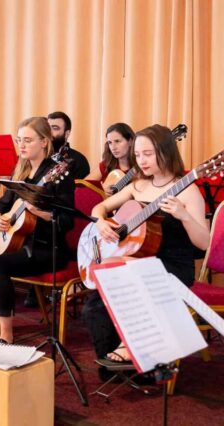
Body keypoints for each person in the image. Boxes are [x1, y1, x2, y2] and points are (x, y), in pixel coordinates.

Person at [82, 124, 209, 371]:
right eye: (138, 155)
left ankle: (141, 360)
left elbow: (203, 242)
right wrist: (101, 223)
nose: (142, 160)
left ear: (166, 151)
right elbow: (100, 208)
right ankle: (116, 368)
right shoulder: (138, 185)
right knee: (94, 306)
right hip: (136, 260)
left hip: (171, 267)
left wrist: (183, 215)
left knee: (126, 291)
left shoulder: (188, 190)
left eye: (148, 154)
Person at [0, 117, 74, 343]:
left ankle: (6, 334)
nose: (22, 145)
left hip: (46, 248)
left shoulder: (57, 175)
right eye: (19, 140)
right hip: (16, 243)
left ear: (44, 142)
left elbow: (67, 221)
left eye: (28, 140)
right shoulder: (21, 171)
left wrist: (41, 213)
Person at [86, 123, 134, 195]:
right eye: (110, 142)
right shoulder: (106, 164)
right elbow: (84, 187)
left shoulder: (140, 168)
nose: (113, 147)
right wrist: (100, 190)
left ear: (130, 141)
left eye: (117, 141)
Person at [47, 111, 90, 179]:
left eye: (55, 128)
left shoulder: (79, 160)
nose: (49, 132)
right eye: (47, 128)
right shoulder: (37, 155)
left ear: (67, 134)